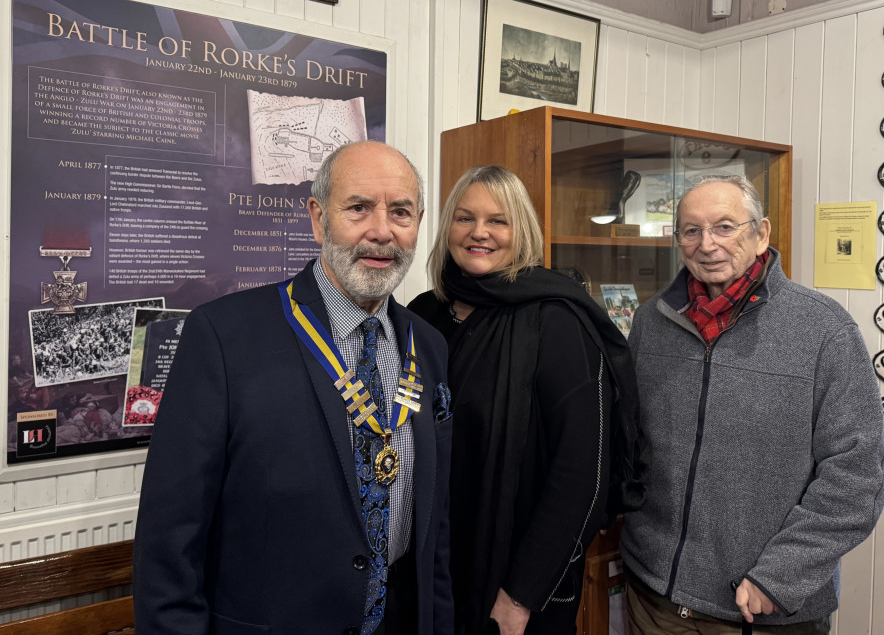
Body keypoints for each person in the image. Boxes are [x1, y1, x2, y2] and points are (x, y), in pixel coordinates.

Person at [134, 141, 454, 635]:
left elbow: (435, 527)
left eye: (401, 212)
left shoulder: (428, 346)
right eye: (359, 208)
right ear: (318, 218)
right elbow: (170, 535)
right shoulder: (223, 337)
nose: (381, 231)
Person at [621, 174, 884, 634]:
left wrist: (779, 576)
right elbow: (632, 441)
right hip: (654, 597)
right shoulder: (651, 322)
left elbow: (858, 474)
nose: (707, 244)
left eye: (725, 226)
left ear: (761, 232)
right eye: (691, 230)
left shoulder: (824, 330)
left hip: (760, 609)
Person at [408, 165, 643, 635]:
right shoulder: (423, 313)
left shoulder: (557, 321)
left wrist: (521, 594)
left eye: (498, 220)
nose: (479, 233)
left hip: (515, 583)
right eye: (464, 218)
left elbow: (581, 476)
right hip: (429, 566)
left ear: (523, 231)